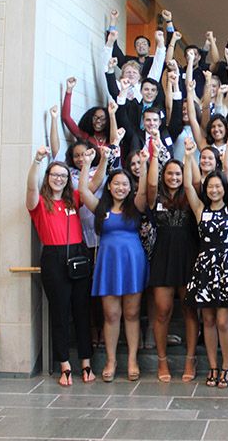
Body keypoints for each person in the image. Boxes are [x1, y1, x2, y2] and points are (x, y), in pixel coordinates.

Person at [26, 148, 98, 387]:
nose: (59, 179)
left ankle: (86, 362)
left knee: (82, 311)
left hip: (78, 254)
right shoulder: (39, 204)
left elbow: (92, 186)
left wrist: (87, 163)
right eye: (54, 175)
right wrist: (37, 161)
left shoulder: (73, 199)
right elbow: (30, 190)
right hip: (53, 257)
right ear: (47, 178)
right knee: (59, 313)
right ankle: (64, 365)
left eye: (63, 176)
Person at [78, 148, 150, 383]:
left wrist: (146, 164)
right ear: (109, 186)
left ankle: (132, 359)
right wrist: (87, 164)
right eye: (116, 183)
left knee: (132, 313)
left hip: (132, 264)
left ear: (131, 187)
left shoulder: (137, 205)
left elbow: (146, 188)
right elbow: (82, 191)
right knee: (111, 315)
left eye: (125, 184)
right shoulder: (100, 208)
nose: (121, 187)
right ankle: (111, 360)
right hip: (108, 264)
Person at [182, 137, 228, 389]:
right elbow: (188, 185)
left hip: (227, 268)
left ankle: (227, 367)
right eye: (210, 186)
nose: (214, 190)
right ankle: (212, 366)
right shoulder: (200, 210)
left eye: (218, 186)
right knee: (207, 321)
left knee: (222, 321)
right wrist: (188, 156)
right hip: (205, 267)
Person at [144, 153, 200, 383]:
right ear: (162, 175)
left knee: (189, 310)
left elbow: (196, 181)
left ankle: (190, 358)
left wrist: (189, 157)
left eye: (178, 173)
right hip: (163, 256)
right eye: (170, 173)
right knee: (162, 310)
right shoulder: (155, 195)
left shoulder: (190, 195)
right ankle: (162, 360)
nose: (174, 177)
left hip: (188, 254)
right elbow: (149, 183)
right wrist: (155, 156)